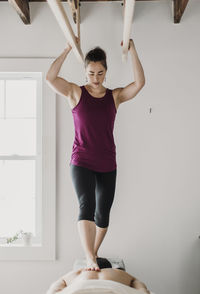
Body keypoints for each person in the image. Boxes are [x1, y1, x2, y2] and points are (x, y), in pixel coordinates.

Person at [46, 38, 145, 271]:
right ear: (86, 71)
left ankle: (93, 251)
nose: (95, 78)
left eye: (100, 73)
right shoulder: (74, 93)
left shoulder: (115, 96)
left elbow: (139, 83)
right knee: (86, 205)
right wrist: (67, 48)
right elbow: (50, 78)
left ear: (106, 72)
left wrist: (133, 48)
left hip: (108, 162)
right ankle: (90, 258)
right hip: (81, 160)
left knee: (103, 214)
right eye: (91, 73)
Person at [46, 258, 150, 294]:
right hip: (113, 289)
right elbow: (137, 283)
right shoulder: (118, 272)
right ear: (110, 267)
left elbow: (57, 285)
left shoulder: (80, 272)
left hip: (79, 289)